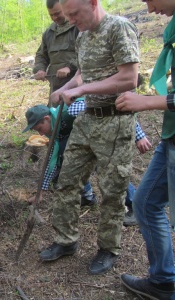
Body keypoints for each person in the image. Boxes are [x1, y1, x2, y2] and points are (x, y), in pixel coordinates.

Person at [39, 0, 140, 275]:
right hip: (87, 119)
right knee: (67, 180)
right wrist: (66, 88)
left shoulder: (119, 28)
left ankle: (108, 248)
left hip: (115, 121)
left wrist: (81, 91)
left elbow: (129, 78)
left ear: (93, 3)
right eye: (67, 15)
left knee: (112, 190)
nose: (70, 20)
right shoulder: (82, 36)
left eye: (74, 14)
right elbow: (84, 75)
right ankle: (66, 240)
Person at [114, 0, 175, 298]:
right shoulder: (172, 27)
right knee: (146, 203)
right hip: (171, 137)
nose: (149, 8)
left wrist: (146, 102)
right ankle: (163, 281)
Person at [23, 100, 151, 226]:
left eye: (40, 128)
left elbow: (112, 108)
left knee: (112, 172)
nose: (40, 133)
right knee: (64, 155)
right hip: (86, 146)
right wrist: (40, 193)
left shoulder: (71, 111)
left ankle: (136, 207)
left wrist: (139, 135)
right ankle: (87, 196)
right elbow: (52, 161)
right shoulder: (55, 132)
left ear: (47, 118)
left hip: (104, 139)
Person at [32, 0, 79, 105]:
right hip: (55, 88)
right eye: (51, 15)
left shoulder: (77, 27)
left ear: (65, 8)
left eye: (57, 13)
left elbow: (86, 54)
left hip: (77, 87)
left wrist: (70, 67)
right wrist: (40, 69)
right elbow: (41, 55)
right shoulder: (48, 33)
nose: (54, 17)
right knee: (55, 118)